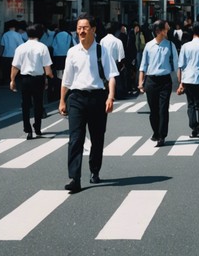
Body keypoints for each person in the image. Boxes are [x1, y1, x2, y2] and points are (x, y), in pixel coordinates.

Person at [58, 14, 118, 193]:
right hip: (76, 98)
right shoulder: (72, 52)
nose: (81, 31)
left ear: (93, 30)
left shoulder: (102, 50)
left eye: (85, 28)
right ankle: (74, 178)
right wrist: (62, 100)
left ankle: (94, 170)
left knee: (97, 137)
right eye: (79, 28)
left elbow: (111, 75)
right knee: (75, 139)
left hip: (98, 98)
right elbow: (67, 80)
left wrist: (111, 97)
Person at [138, 19, 178, 147]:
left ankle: (162, 136)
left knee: (163, 109)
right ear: (158, 31)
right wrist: (140, 82)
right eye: (166, 28)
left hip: (165, 80)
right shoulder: (149, 46)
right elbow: (143, 65)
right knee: (153, 110)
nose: (168, 29)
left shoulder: (171, 45)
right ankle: (155, 132)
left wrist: (181, 83)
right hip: (151, 80)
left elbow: (177, 65)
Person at [10, 24, 54, 139]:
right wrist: (50, 78)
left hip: (25, 79)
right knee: (38, 104)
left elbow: (15, 66)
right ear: (40, 34)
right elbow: (47, 69)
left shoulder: (21, 48)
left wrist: (12, 80)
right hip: (38, 78)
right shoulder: (42, 47)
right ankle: (37, 128)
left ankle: (27, 129)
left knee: (25, 104)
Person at [177, 21, 199, 137]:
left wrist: (180, 83)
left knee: (190, 104)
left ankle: (193, 125)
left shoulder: (185, 46)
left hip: (188, 78)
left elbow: (181, 65)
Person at [100, 22, 127, 99]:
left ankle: (107, 93)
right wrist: (122, 63)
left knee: (106, 79)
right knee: (116, 80)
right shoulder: (117, 41)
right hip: (115, 62)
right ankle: (116, 94)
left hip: (105, 62)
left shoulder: (102, 40)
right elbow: (121, 55)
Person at [0, 20, 23, 86]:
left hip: (5, 55)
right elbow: (21, 45)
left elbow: (2, 46)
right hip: (15, 55)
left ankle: (5, 82)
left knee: (5, 70)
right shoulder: (18, 35)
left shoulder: (5, 34)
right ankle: (13, 81)